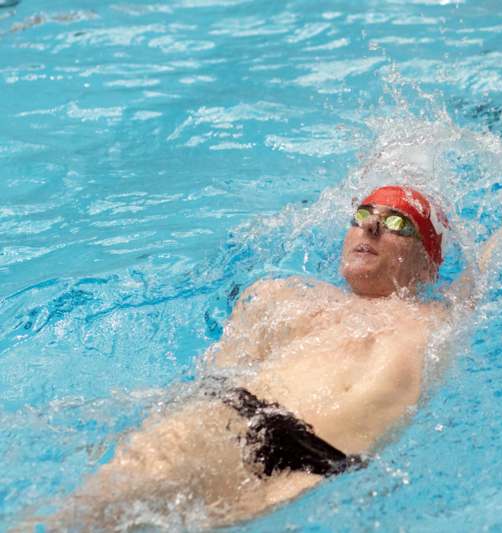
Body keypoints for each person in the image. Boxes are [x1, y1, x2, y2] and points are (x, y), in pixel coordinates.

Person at [51, 185, 462, 529]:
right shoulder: (282, 296)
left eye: (397, 223)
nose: (371, 225)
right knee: (81, 517)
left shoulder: (433, 318)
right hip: (238, 422)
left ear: (427, 265)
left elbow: (489, 272)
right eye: (361, 213)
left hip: (323, 466)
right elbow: (213, 379)